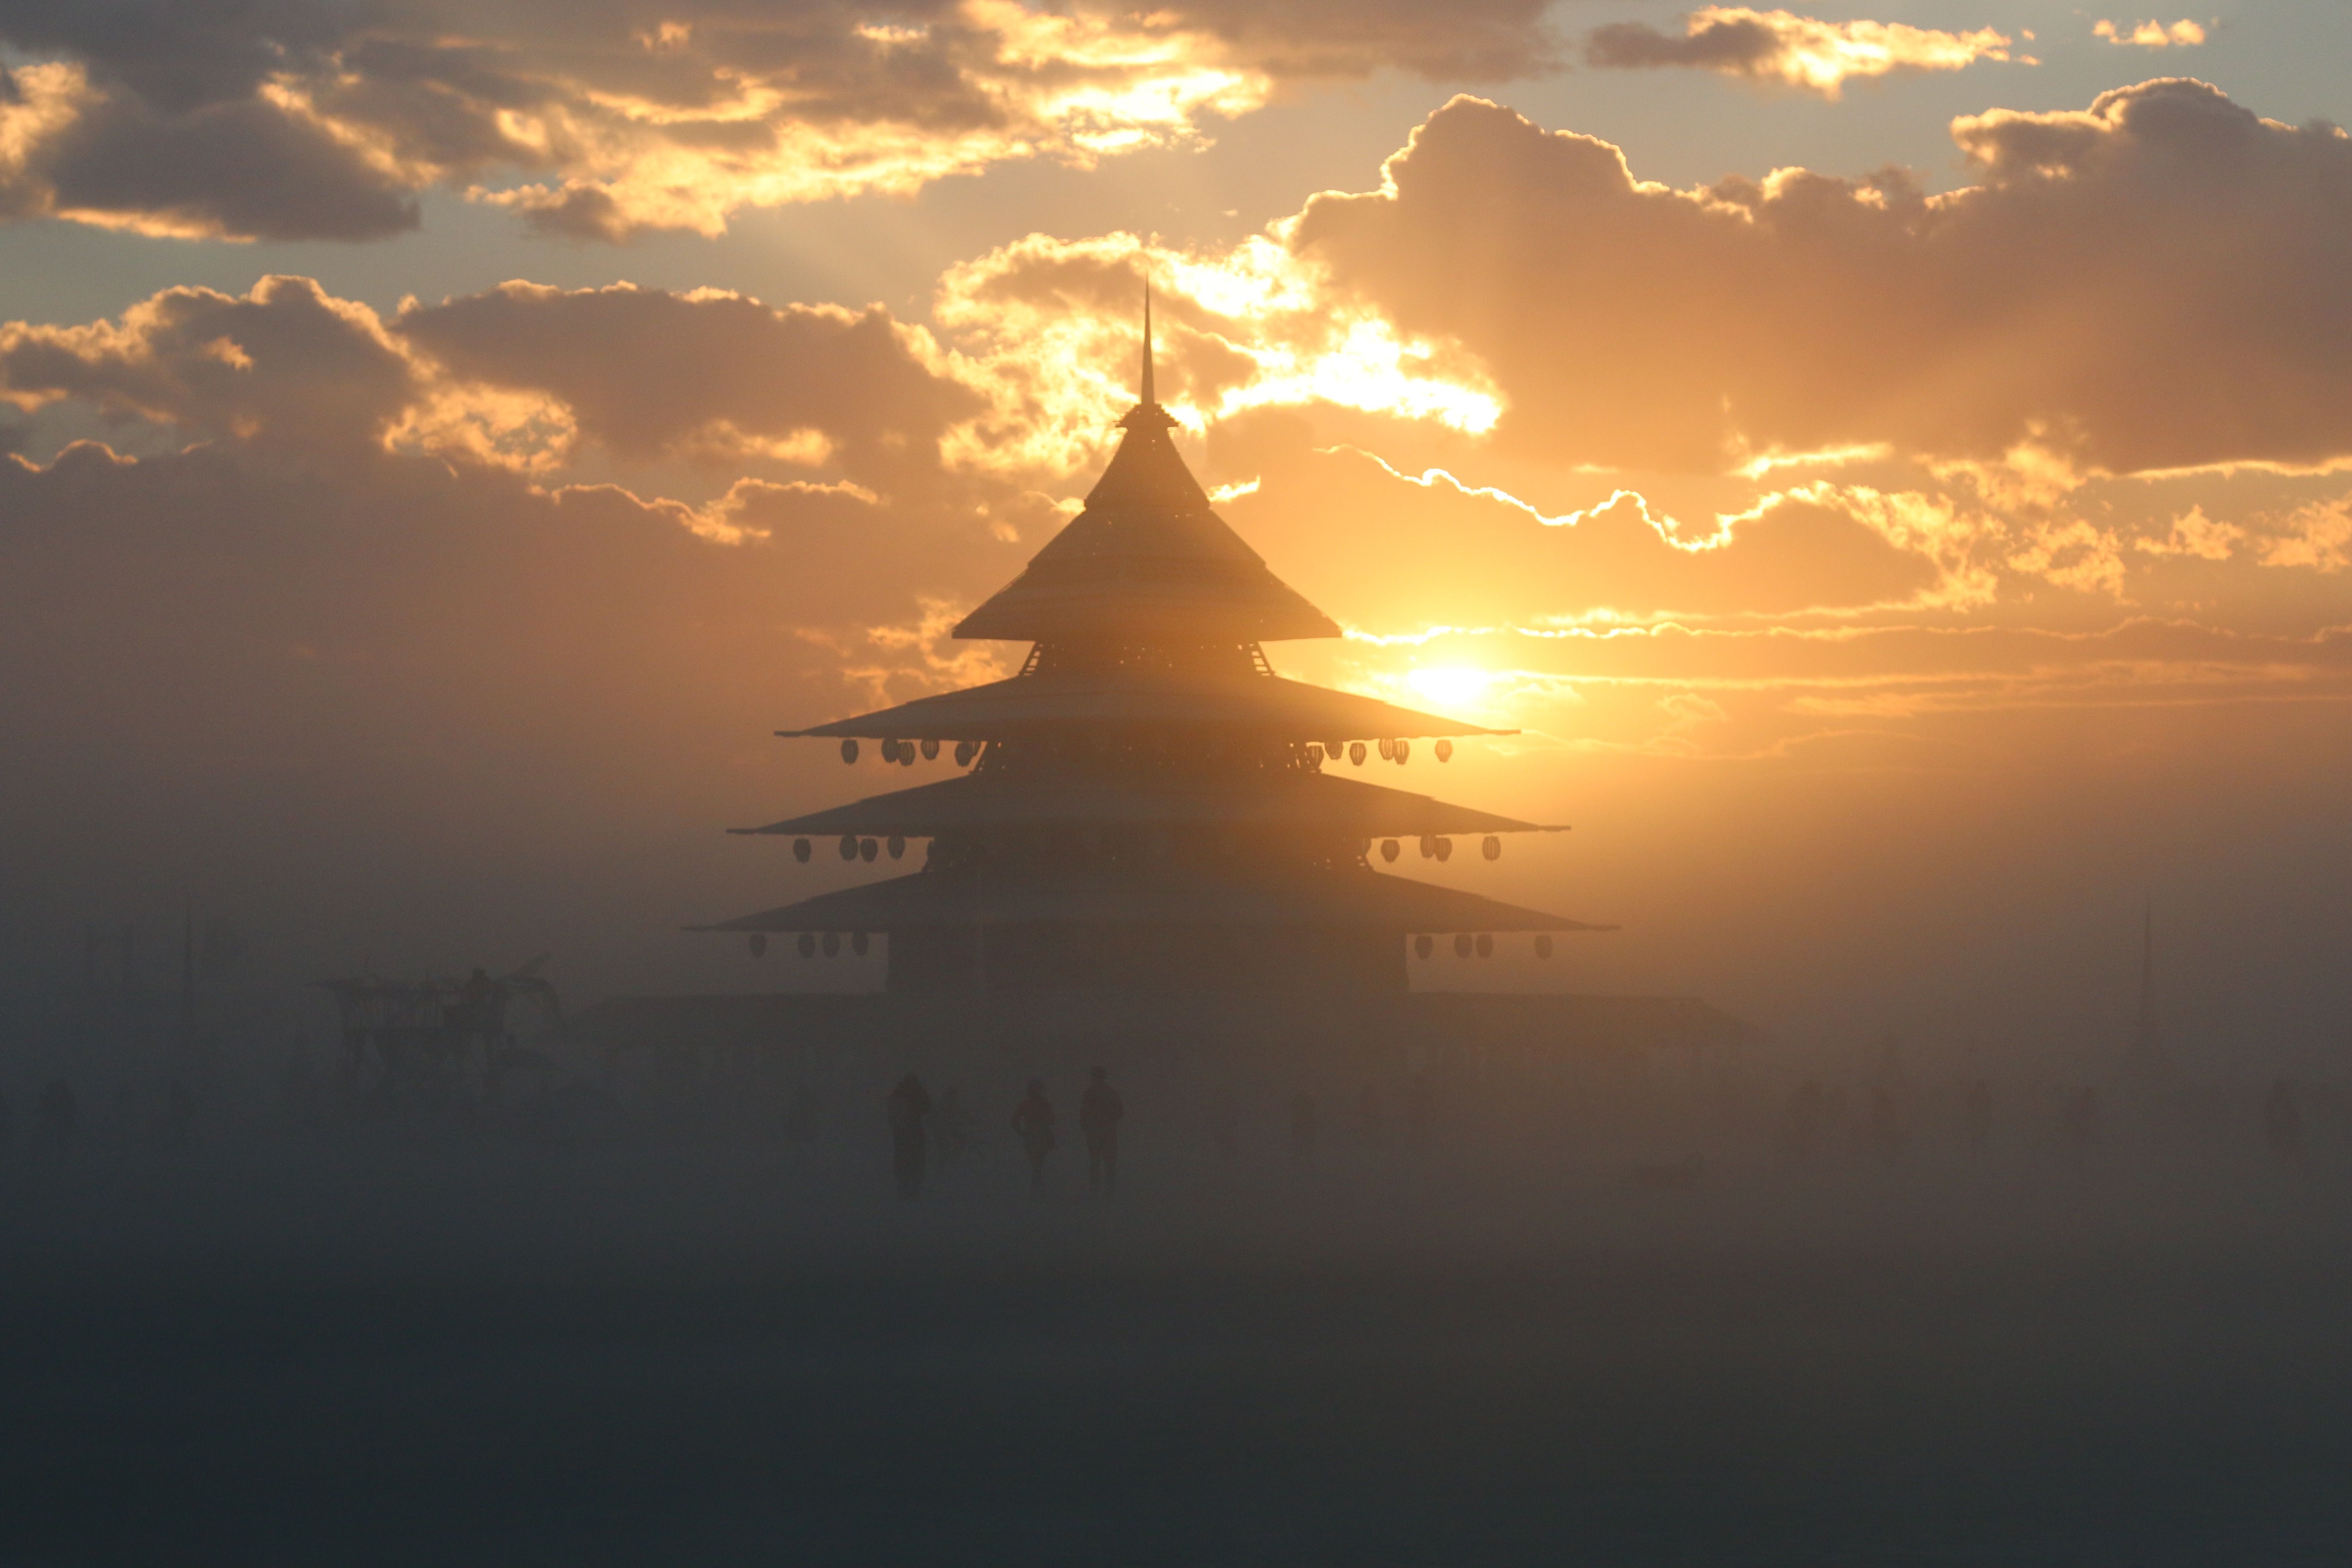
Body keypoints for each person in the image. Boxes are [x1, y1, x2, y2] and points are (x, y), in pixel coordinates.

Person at [885, 1072, 932, 1199]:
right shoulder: (916, 1093)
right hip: (914, 1131)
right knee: (916, 1158)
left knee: (902, 1157)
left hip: (900, 1132)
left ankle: (903, 1186)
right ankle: (914, 1188)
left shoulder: (897, 1093)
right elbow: (928, 1107)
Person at [1080, 1067, 1124, 1197]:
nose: (1096, 1080)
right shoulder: (1091, 1093)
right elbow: (1084, 1113)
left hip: (1103, 1132)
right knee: (1098, 1162)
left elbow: (1120, 1111)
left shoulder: (1108, 1093)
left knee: (1106, 1162)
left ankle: (1104, 1191)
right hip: (1098, 1132)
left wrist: (1107, 1121)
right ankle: (1100, 1190)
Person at [1012, 1079, 1057, 1194]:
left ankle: (1036, 1190)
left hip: (1040, 1137)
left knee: (1037, 1165)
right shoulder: (1028, 1104)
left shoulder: (1041, 1104)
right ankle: (1037, 1190)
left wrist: (1022, 1132)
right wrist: (1022, 1133)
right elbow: (1015, 1121)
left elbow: (1053, 1120)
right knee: (1037, 1165)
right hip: (1034, 1137)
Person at [2263, 1078, 2305, 1170]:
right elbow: (2267, 1116)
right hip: (2279, 1131)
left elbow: (2295, 1117)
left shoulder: (2287, 1102)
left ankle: (2282, 1170)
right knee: (2280, 1152)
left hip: (2284, 1131)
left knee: (2284, 1152)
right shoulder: (2276, 1102)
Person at [1963, 1078, 1992, 1159]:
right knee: (1979, 1138)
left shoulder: (1975, 1095)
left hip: (1978, 1119)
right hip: (1979, 1119)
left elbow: (1969, 1103)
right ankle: (1979, 1155)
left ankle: (1976, 1156)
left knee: (1978, 1138)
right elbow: (1989, 1104)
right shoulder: (1985, 1095)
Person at [1288, 1090, 1317, 1166]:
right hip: (1303, 1125)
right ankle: (1305, 1164)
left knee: (1302, 1145)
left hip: (1302, 1125)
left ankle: (1298, 1163)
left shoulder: (1297, 1100)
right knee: (1305, 1145)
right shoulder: (1307, 1100)